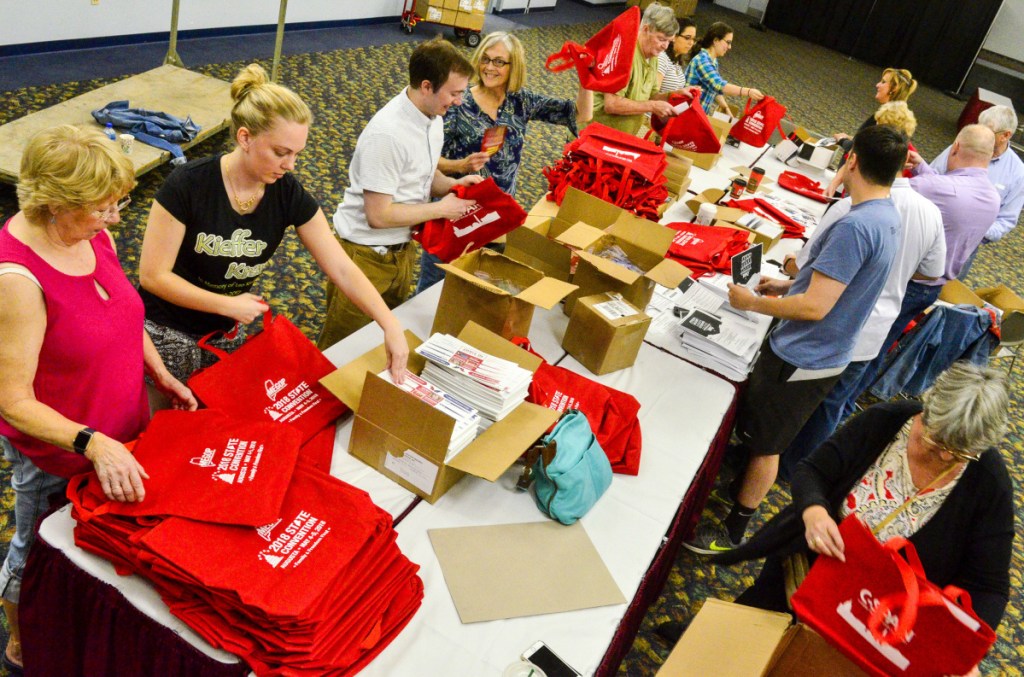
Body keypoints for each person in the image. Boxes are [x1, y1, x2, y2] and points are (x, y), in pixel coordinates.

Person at [0, 125, 198, 673]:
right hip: (58, 453)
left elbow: (118, 313)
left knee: (95, 553)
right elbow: (12, 401)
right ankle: (19, 644)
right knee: (35, 554)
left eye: (119, 204)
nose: (115, 220)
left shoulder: (91, 236)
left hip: (118, 429)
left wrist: (157, 371)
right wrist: (93, 444)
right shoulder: (16, 278)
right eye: (102, 208)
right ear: (54, 205)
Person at [707, 362, 1013, 677]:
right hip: (806, 577)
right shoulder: (888, 422)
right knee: (734, 650)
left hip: (876, 626)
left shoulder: (988, 482)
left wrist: (961, 649)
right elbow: (812, 471)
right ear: (927, 407)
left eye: (959, 453)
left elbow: (988, 586)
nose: (946, 457)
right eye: (936, 442)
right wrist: (814, 512)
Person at [684, 125, 906, 553]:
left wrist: (751, 303)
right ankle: (736, 494)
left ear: (853, 160)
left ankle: (733, 529)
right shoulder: (886, 215)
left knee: (768, 446)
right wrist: (789, 285)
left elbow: (815, 308)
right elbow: (840, 287)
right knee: (763, 438)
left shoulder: (855, 227)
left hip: (805, 353)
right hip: (825, 351)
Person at [138, 64, 408, 382]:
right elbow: (153, 276)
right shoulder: (189, 184)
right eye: (281, 152)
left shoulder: (285, 191)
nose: (289, 165)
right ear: (245, 137)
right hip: (162, 334)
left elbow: (342, 268)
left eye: (296, 154)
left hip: (221, 334)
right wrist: (226, 304)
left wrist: (390, 325)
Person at [779, 126, 945, 479]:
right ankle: (799, 473)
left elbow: (806, 264)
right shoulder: (930, 212)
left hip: (827, 329)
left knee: (793, 405)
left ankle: (771, 464)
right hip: (874, 332)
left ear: (853, 160)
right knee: (832, 406)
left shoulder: (851, 209)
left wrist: (784, 271)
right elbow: (934, 273)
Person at [316, 38, 482, 348]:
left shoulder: (433, 119)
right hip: (364, 256)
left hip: (401, 250)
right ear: (426, 86)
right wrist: (442, 209)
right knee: (340, 348)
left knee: (380, 341)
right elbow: (378, 215)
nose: (459, 101)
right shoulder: (387, 134)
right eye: (454, 93)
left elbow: (423, 175)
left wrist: (453, 187)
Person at [418, 31, 594, 292]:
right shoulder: (458, 103)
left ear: (514, 66)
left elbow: (582, 113)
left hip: (496, 214)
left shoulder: (520, 102)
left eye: (499, 62)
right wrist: (460, 165)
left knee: (479, 286)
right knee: (433, 287)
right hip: (456, 211)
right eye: (486, 59)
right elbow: (427, 160)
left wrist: (586, 77)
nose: (490, 67)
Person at [852, 124, 1001, 396]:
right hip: (932, 288)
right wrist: (923, 168)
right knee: (880, 347)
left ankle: (839, 401)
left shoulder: (933, 187)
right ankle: (849, 400)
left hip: (903, 281)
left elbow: (886, 189)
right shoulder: (993, 197)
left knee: (860, 348)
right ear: (990, 156)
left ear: (955, 147)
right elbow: (953, 190)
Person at [928, 106, 1024, 281]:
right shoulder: (962, 146)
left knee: (942, 296)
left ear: (1006, 135)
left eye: (987, 130)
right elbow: (930, 176)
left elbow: (1006, 220)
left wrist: (975, 228)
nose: (978, 133)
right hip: (929, 230)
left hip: (963, 248)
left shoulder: (1017, 174)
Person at [590, 3, 679, 136]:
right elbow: (612, 104)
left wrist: (675, 95)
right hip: (593, 135)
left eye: (669, 41)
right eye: (661, 39)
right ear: (645, 29)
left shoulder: (652, 55)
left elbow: (651, 95)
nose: (665, 46)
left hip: (617, 137)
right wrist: (652, 107)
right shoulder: (623, 53)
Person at [683, 22, 764, 116]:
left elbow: (713, 88)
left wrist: (725, 107)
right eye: (728, 42)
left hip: (696, 114)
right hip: (687, 115)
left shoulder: (713, 60)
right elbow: (719, 85)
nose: (729, 47)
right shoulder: (702, 60)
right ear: (716, 40)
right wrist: (748, 91)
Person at [657, 18, 697, 94]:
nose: (691, 43)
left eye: (693, 39)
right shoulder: (662, 58)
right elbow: (653, 94)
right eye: (687, 38)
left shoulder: (676, 62)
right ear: (674, 37)